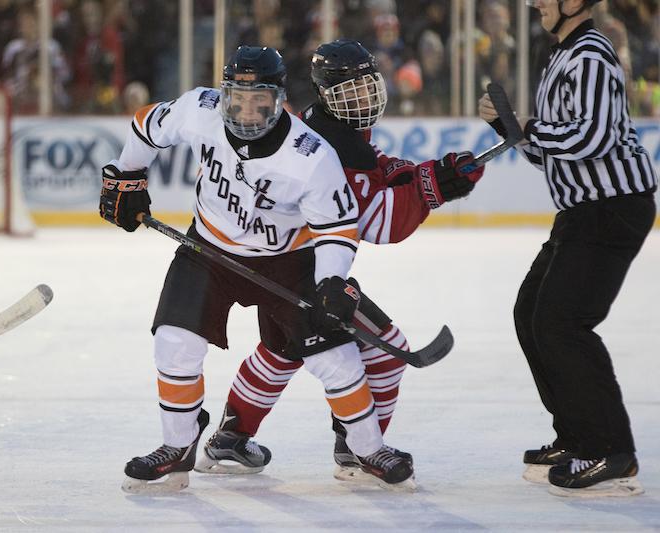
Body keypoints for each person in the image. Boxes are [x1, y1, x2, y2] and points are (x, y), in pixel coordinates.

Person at [101, 45, 413, 492]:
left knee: (336, 358)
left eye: (259, 100)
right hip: (208, 250)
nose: (246, 110)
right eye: (237, 98)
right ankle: (178, 446)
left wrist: (330, 283)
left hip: (286, 261)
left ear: (279, 98)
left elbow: (338, 229)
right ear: (224, 94)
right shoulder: (200, 108)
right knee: (174, 344)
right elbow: (147, 124)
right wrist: (126, 175)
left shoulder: (310, 155)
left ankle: (368, 449)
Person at [195, 39, 484, 488]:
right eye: (352, 91)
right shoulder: (332, 141)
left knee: (281, 352)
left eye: (369, 88)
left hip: (279, 262)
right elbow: (379, 222)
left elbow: (376, 171)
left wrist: (430, 172)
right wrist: (435, 187)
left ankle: (229, 439)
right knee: (387, 355)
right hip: (304, 271)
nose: (364, 99)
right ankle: (356, 449)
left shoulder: (326, 125)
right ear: (328, 93)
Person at [479, 0, 657, 497]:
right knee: (531, 313)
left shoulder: (592, 56)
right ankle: (577, 435)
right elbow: (556, 155)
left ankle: (611, 450)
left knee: (562, 323)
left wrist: (527, 127)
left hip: (612, 208)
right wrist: (511, 130)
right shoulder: (559, 55)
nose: (536, 3)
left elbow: (592, 139)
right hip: (584, 211)